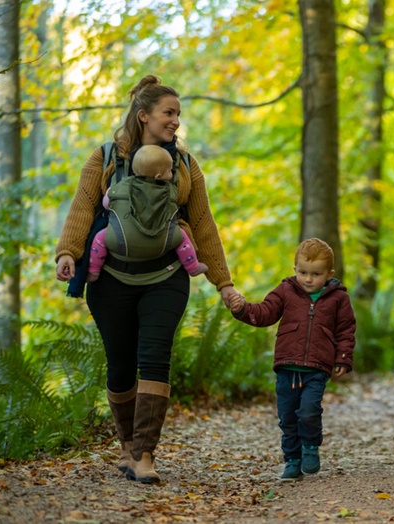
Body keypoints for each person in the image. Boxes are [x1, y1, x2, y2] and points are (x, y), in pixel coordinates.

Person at [55, 75, 239, 484]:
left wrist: (223, 283)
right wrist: (67, 252)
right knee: (120, 365)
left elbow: (204, 224)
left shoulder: (186, 165)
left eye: (178, 114)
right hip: (111, 279)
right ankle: (127, 446)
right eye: (168, 113)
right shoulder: (104, 158)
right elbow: (83, 207)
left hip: (167, 275)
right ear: (144, 116)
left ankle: (144, 454)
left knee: (155, 358)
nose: (176, 121)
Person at [229, 238, 355, 482]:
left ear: (329, 274)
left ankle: (310, 447)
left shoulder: (338, 298)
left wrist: (342, 357)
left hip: (317, 368)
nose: (308, 279)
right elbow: (265, 312)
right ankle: (292, 461)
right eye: (303, 272)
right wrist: (242, 309)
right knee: (287, 417)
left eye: (316, 274)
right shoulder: (285, 290)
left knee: (308, 411)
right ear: (294, 269)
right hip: (287, 366)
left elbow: (346, 329)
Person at [86, 145, 208, 283]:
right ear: (159, 176)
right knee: (183, 236)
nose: (171, 174)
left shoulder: (118, 187)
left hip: (120, 243)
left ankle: (94, 270)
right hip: (163, 243)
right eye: (169, 171)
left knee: (100, 238)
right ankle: (192, 266)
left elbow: (107, 205)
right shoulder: (170, 191)